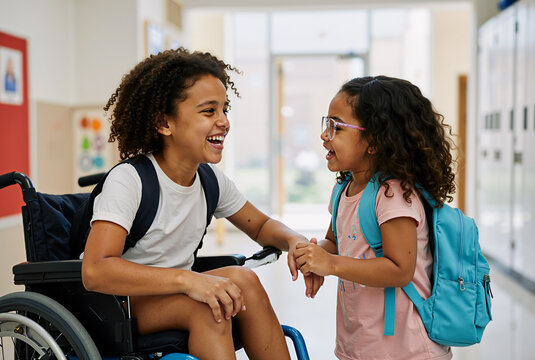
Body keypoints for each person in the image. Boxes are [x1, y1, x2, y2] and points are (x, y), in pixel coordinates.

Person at [81, 48, 306, 360]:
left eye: (224, 109)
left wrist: (294, 240)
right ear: (164, 123)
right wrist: (188, 280)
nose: (224, 121)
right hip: (120, 304)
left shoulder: (209, 179)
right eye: (208, 111)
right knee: (209, 309)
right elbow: (96, 270)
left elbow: (263, 226)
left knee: (245, 280)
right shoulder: (130, 180)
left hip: (173, 291)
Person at [294, 76, 454, 359]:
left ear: (375, 141)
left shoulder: (392, 195)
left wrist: (331, 264)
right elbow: (335, 242)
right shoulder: (343, 189)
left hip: (406, 350)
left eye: (336, 127)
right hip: (362, 343)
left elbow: (399, 269)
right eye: (325, 123)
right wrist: (312, 255)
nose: (324, 135)